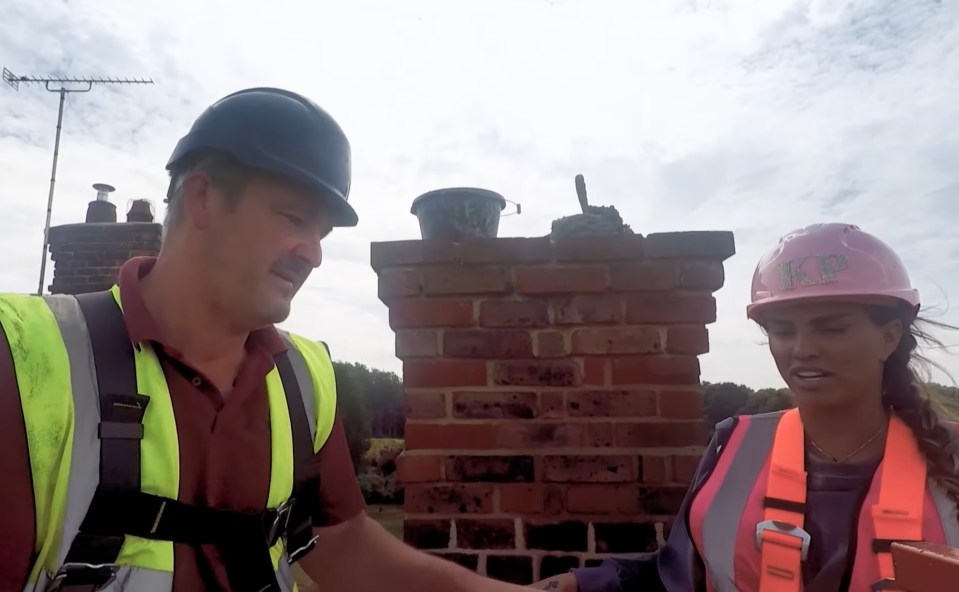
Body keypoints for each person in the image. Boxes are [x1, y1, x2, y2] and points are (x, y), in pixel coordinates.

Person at [0, 87, 534, 592]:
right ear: (203, 198)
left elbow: (339, 540)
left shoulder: (304, 376)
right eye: (294, 218)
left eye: (321, 234)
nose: (314, 254)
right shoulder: (25, 356)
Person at [529, 223, 959, 592]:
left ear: (889, 336)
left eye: (832, 328)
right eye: (783, 330)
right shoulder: (734, 447)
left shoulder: (950, 458)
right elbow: (676, 575)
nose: (802, 349)